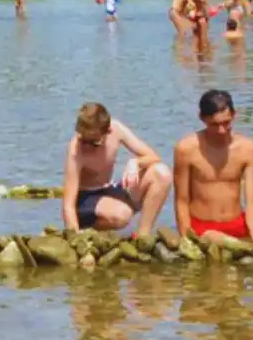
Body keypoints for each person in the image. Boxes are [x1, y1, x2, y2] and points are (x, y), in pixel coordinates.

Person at [62, 102, 177, 244]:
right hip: (85, 199)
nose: (87, 145)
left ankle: (142, 237)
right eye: (83, 139)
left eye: (93, 142)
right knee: (122, 214)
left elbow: (154, 157)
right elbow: (68, 203)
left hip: (108, 189)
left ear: (107, 132)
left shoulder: (116, 129)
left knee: (162, 173)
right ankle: (89, 233)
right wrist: (74, 239)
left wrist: (135, 163)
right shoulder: (76, 149)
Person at [174, 89, 253, 242]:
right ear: (202, 118)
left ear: (234, 115)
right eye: (214, 124)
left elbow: (252, 201)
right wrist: (187, 238)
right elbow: (181, 200)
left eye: (226, 123)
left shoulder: (248, 149)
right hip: (202, 227)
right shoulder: (186, 149)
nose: (221, 130)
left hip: (237, 223)